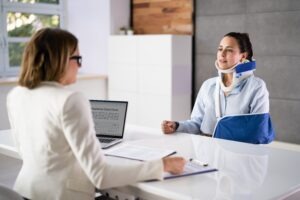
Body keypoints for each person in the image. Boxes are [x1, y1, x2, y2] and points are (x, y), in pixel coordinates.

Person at [6, 28, 186, 200]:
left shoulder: (16, 95)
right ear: (59, 60)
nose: (79, 65)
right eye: (77, 58)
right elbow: (100, 176)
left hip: (26, 192)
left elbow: (34, 153)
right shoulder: (70, 100)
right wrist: (161, 165)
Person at [162, 32, 269, 136]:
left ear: (243, 56)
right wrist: (176, 126)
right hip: (206, 149)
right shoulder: (208, 85)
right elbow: (197, 124)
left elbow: (257, 132)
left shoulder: (256, 87)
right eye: (220, 49)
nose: (222, 54)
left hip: (239, 152)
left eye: (229, 50)